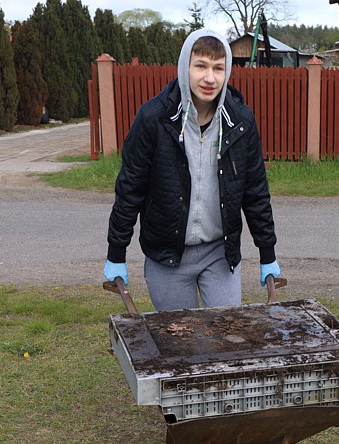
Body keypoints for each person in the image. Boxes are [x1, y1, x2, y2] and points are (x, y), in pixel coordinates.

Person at [103, 29, 280, 311]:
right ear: (184, 66)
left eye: (218, 68)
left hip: (219, 253)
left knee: (224, 332)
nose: (210, 78)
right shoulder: (154, 119)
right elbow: (130, 189)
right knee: (178, 336)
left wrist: (267, 252)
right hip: (167, 255)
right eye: (201, 66)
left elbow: (255, 191)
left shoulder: (240, 122)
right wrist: (116, 253)